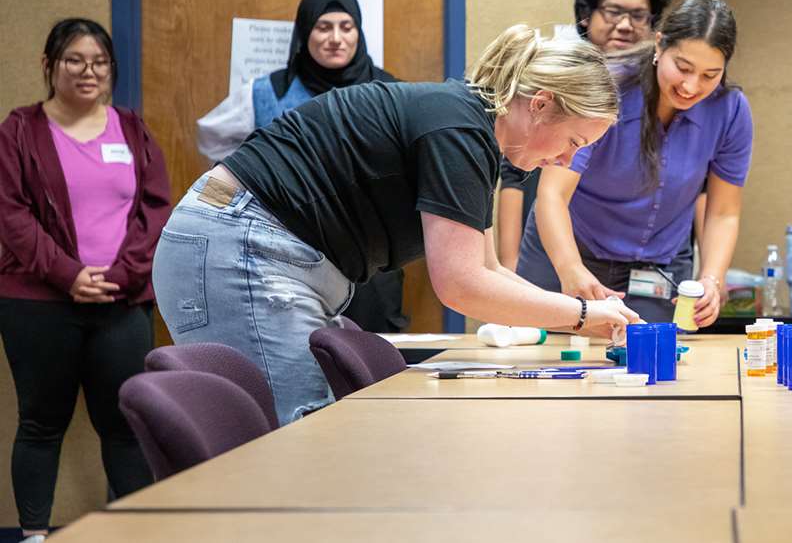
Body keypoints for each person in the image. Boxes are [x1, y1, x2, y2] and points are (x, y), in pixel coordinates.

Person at [153, 25, 637, 425]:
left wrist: (581, 317)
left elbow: (488, 269)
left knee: (314, 434)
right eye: (572, 140)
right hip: (237, 244)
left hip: (251, 245)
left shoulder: (471, 132)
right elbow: (462, 286)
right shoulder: (457, 128)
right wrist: (578, 314)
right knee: (305, 432)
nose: (566, 159)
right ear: (540, 104)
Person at [0, 19, 171, 543]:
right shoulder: (19, 131)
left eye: (98, 62)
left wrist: (120, 276)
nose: (88, 71)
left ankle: (129, 534)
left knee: (125, 424)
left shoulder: (131, 129)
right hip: (37, 303)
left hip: (122, 303)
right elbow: (11, 214)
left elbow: (155, 208)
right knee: (40, 424)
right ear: (49, 65)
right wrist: (69, 275)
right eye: (74, 60)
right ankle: (33, 535)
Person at [516, 0, 751, 328]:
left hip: (656, 270)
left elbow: (724, 211)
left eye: (710, 74)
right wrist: (570, 269)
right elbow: (553, 194)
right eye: (682, 68)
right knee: (550, 362)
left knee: (651, 363)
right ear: (659, 44)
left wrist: (712, 279)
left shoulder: (730, 110)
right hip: (569, 253)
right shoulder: (608, 87)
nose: (691, 86)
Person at [197, 0, 406, 331]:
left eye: (346, 27)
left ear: (359, 33)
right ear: (304, 33)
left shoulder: (389, 92)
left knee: (372, 369)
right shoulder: (268, 92)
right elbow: (214, 142)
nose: (336, 38)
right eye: (323, 27)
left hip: (372, 263)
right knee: (298, 361)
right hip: (287, 262)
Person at [497, 0, 677, 270]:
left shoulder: (656, 85)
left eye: (638, 16)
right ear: (587, 14)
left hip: (620, 249)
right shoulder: (555, 66)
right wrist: (510, 263)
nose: (624, 25)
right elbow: (512, 174)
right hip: (545, 239)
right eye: (613, 12)